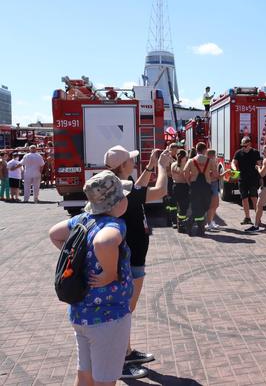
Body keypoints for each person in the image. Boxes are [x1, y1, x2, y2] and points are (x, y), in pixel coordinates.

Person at [48, 170, 143, 383]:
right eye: (124, 197)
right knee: (105, 379)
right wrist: (110, 273)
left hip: (80, 314)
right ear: (116, 203)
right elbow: (104, 242)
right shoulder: (113, 224)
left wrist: (77, 258)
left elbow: (54, 234)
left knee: (85, 374)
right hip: (108, 317)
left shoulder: (81, 219)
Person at [105, 145, 172, 377]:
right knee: (124, 311)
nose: (134, 162)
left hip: (130, 257)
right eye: (131, 160)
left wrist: (151, 166)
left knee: (125, 310)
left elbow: (139, 186)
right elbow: (159, 191)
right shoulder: (126, 193)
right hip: (130, 260)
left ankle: (127, 350)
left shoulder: (119, 187)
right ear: (123, 166)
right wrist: (163, 167)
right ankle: (120, 362)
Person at [184, 142, 214, 236]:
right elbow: (215, 173)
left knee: (197, 206)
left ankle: (190, 222)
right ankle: (199, 229)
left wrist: (189, 182)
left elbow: (185, 172)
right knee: (205, 206)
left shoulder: (191, 161)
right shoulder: (209, 161)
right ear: (205, 150)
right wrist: (210, 176)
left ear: (196, 150)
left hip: (194, 186)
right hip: (206, 187)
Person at [232, 136, 262, 225]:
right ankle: (247, 217)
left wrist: (261, 173)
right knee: (244, 198)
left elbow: (259, 164)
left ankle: (258, 219)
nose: (243, 147)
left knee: (254, 197)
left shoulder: (255, 152)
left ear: (250, 144)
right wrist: (234, 169)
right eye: (242, 146)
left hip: (253, 178)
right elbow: (233, 162)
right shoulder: (238, 153)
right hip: (242, 178)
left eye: (245, 146)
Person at [171, 150, 190, 233]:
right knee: (183, 207)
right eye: (186, 156)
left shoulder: (173, 164)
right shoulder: (184, 166)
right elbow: (186, 177)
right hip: (183, 187)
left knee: (179, 206)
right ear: (183, 157)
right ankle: (181, 226)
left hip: (175, 186)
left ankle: (179, 223)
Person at [206, 149, 224, 231]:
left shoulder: (210, 162)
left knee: (215, 205)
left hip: (213, 184)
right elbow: (216, 176)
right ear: (212, 155)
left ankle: (211, 222)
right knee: (213, 205)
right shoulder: (210, 162)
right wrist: (226, 172)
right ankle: (209, 223)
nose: (216, 156)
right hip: (212, 184)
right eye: (215, 155)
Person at [164, 143, 179, 228]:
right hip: (169, 181)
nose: (176, 151)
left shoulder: (174, 157)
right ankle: (171, 221)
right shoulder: (168, 158)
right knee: (171, 202)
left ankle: (171, 220)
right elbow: (167, 171)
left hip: (172, 181)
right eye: (175, 150)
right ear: (172, 149)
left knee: (172, 202)